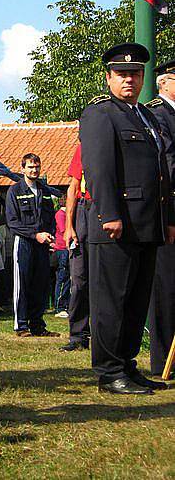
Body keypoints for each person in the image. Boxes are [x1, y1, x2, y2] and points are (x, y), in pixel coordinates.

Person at [80, 42, 175, 394]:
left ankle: (128, 364)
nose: (129, 80)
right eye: (122, 75)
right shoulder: (101, 115)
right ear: (108, 78)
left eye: (135, 74)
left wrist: (166, 218)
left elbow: (161, 172)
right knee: (112, 300)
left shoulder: (146, 116)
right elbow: (99, 168)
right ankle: (109, 371)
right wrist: (109, 214)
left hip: (147, 222)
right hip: (116, 222)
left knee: (135, 300)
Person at [6, 153, 59, 338]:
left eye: (36, 166)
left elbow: (51, 217)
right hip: (24, 243)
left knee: (40, 284)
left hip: (43, 244)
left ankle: (37, 325)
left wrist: (50, 234)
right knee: (23, 284)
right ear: (22, 169)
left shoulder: (45, 191)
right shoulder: (15, 191)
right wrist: (35, 235)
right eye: (30, 167)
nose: (34, 170)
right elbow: (12, 222)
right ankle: (21, 326)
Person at [144, 59, 175, 377]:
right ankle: (164, 358)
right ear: (164, 83)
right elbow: (166, 162)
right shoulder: (158, 114)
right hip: (168, 210)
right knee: (166, 287)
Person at [60, 144, 91, 352]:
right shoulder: (83, 149)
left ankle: (103, 336)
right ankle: (78, 335)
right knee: (78, 280)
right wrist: (69, 226)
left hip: (107, 210)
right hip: (83, 213)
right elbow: (73, 187)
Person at [52, 197, 70, 317]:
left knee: (67, 278)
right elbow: (65, 231)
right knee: (63, 277)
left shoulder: (66, 214)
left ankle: (66, 304)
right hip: (63, 249)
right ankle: (59, 306)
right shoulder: (61, 214)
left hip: (67, 249)